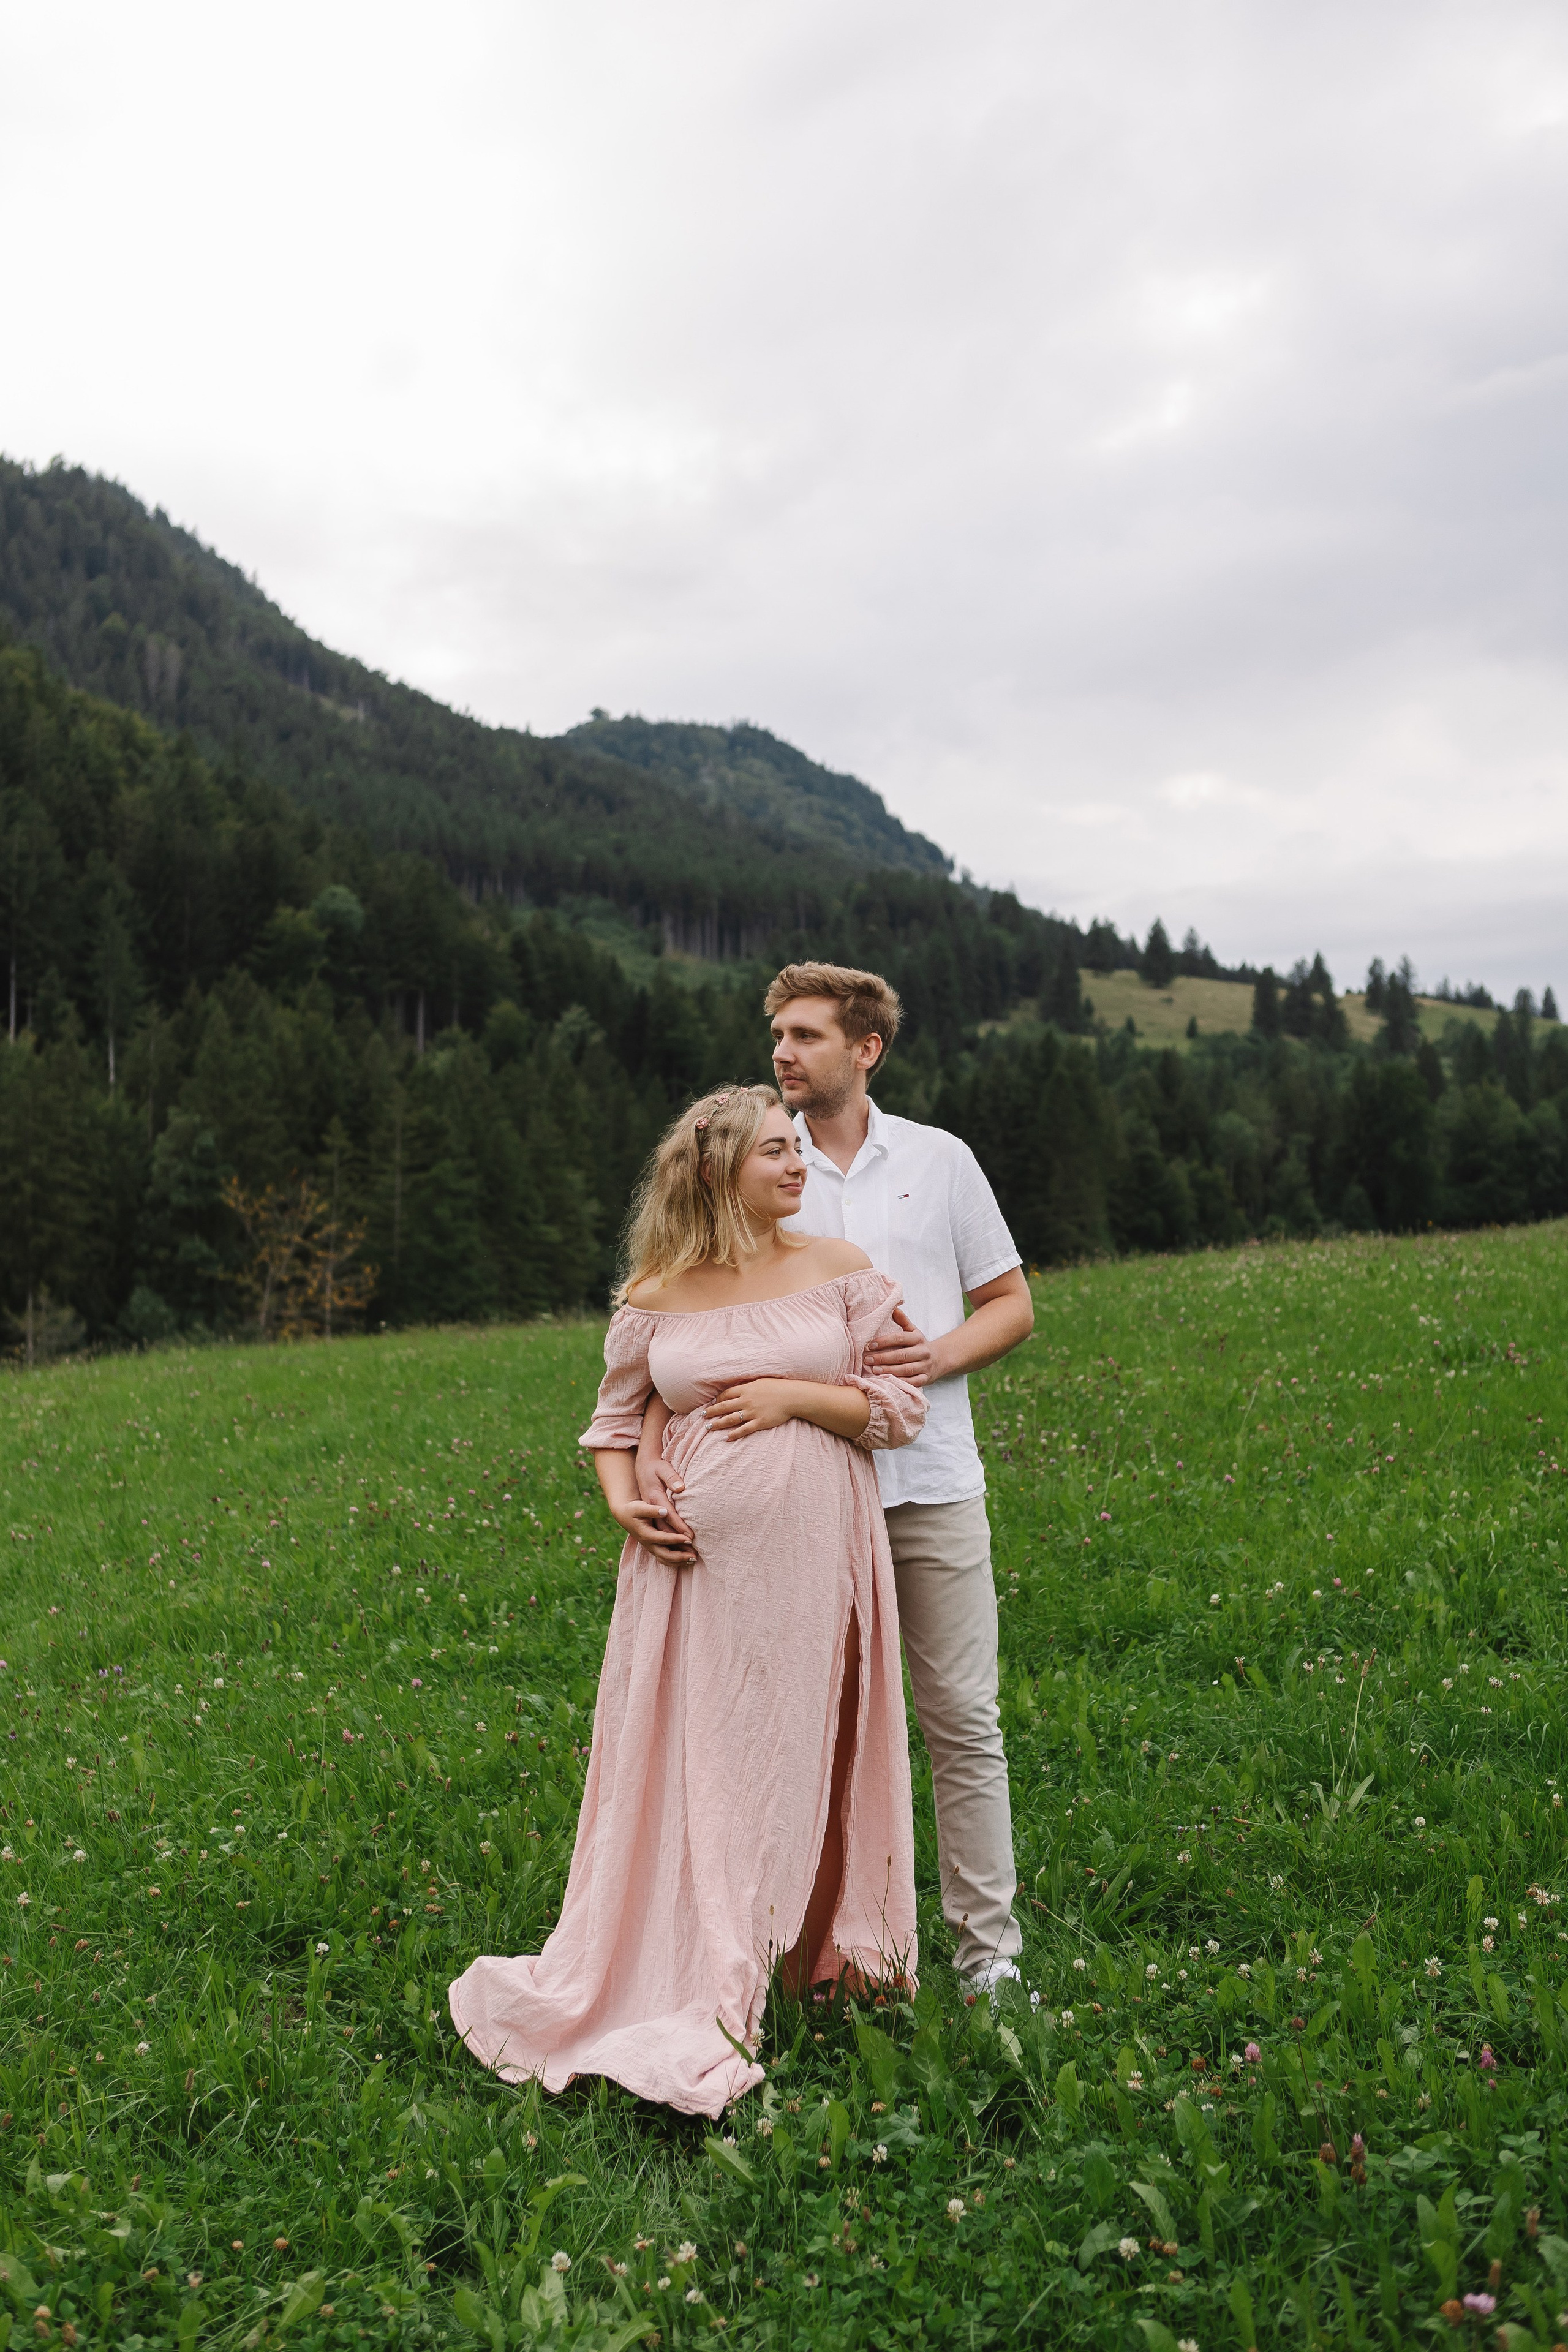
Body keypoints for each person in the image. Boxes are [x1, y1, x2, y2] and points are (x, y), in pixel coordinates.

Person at [448, 1083, 926, 2120]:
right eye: (774, 1152)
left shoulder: (839, 1273)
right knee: (701, 1758)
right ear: (717, 1172)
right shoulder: (657, 1293)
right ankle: (690, 1969)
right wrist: (627, 1505)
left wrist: (798, 1397)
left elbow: (899, 1401)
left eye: (797, 1147)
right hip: (688, 1578)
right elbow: (614, 1422)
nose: (799, 1164)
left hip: (811, 1562)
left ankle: (796, 1959)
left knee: (786, 1748)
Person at [639, 965, 1033, 2002]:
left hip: (928, 1478)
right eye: (776, 1034)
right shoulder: (754, 1159)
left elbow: (1011, 1304)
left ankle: (988, 1958)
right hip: (796, 1516)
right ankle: (808, 1949)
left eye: (806, 1035)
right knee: (794, 1720)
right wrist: (641, 1441)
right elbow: (683, 1326)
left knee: (960, 1718)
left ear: (866, 1049)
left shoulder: (941, 1162)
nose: (782, 1052)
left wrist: (924, 1364)